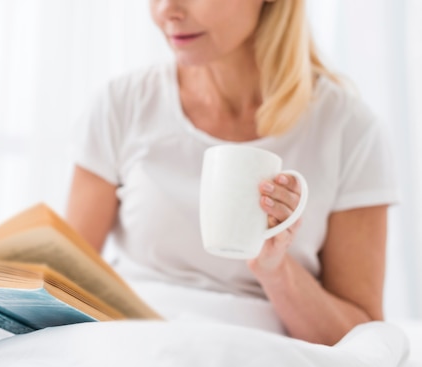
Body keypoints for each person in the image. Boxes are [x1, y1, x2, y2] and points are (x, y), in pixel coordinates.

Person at [65, 0, 398, 346]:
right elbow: (64, 280)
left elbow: (360, 341)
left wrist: (276, 269)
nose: (167, 10)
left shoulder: (349, 130)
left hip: (257, 348)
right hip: (130, 342)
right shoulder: (123, 103)